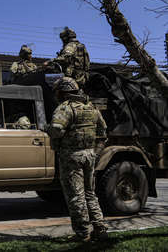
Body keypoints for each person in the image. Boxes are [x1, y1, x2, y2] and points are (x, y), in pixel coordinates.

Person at [47, 77, 108, 242]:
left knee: (76, 195)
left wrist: (47, 129)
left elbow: (56, 130)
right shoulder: (92, 108)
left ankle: (83, 233)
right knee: (90, 194)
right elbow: (103, 134)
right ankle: (100, 228)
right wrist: (95, 153)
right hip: (89, 155)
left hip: (71, 157)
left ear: (63, 92)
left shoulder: (65, 108)